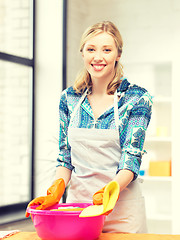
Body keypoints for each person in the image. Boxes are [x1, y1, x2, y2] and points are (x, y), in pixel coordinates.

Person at [26, 21, 153, 233]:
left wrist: (111, 189)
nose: (98, 57)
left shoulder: (136, 98)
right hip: (79, 210)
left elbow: (131, 156)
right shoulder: (69, 98)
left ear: (118, 54)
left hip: (123, 212)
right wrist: (56, 190)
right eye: (91, 49)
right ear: (83, 53)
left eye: (107, 49)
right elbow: (66, 156)